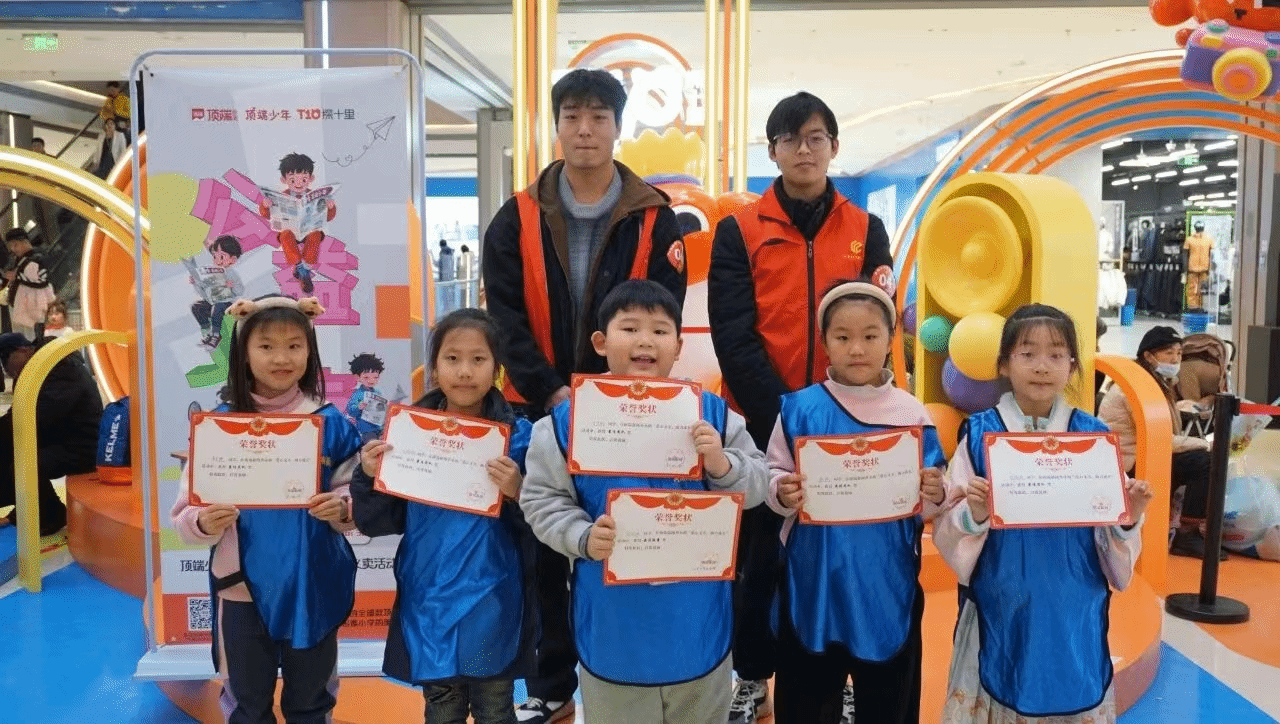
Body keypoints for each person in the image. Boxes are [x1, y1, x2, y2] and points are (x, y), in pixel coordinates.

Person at [481, 68, 686, 724]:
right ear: (556, 126)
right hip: (535, 405)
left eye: (599, 116)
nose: (585, 129)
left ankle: (621, 668)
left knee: (621, 536)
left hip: (630, 412)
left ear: (618, 127)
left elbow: (662, 315)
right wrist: (551, 392)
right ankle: (550, 684)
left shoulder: (655, 218)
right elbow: (503, 317)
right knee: (543, 543)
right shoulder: (515, 217)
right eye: (572, 116)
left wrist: (606, 395)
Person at [706, 90, 894, 724]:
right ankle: (752, 677)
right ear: (773, 151)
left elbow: (876, 325)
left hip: (848, 428)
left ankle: (842, 678)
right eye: (790, 139)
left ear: (834, 147)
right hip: (761, 429)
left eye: (816, 138)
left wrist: (842, 414)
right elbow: (734, 335)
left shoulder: (866, 230)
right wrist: (785, 422)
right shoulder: (739, 231)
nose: (804, 149)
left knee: (842, 560)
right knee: (757, 563)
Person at [519, 280, 768, 724]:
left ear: (679, 346)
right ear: (601, 342)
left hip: (697, 620)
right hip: (614, 622)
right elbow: (541, 498)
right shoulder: (564, 423)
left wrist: (721, 464)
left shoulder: (714, 415)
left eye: (659, 330)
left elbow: (758, 487)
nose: (645, 341)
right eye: (630, 328)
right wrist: (581, 535)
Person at [934, 304, 1153, 723]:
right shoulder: (979, 435)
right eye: (1027, 353)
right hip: (1000, 602)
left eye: (1056, 354)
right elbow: (950, 523)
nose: (1042, 366)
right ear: (1004, 364)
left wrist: (1129, 516)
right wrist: (974, 514)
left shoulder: (1093, 438)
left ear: (1072, 366)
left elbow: (1112, 535)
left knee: (1070, 689)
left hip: (1073, 604)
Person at [170, 295, 362, 724]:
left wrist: (343, 508)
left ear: (310, 351)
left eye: (294, 345)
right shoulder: (218, 425)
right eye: (266, 346)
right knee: (248, 704)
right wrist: (202, 522)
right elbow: (184, 515)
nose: (281, 358)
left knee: (311, 702)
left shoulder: (329, 421)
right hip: (240, 588)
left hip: (313, 583)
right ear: (243, 352)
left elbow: (354, 493)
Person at [765, 280, 945, 723]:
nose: (857, 349)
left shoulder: (911, 413)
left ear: (889, 340)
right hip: (814, 581)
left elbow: (932, 497)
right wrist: (781, 491)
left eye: (870, 335)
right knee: (807, 697)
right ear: (825, 341)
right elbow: (772, 472)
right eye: (843, 337)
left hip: (887, 582)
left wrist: (935, 493)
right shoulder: (799, 410)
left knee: (889, 700)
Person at [351, 308, 535, 724]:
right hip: (429, 598)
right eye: (452, 358)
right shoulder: (407, 436)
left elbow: (542, 528)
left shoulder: (518, 439)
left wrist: (518, 491)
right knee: (441, 708)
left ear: (497, 370)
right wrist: (368, 476)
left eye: (478, 359)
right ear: (433, 368)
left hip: (495, 599)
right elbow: (377, 521)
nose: (465, 371)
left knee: (495, 709)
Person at [1096, 326, 1217, 559]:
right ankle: (1187, 534)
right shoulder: (1137, 388)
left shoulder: (1155, 382)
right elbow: (1159, 440)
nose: (1175, 359)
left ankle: (1185, 529)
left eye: (1179, 353)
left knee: (1199, 459)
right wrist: (1204, 444)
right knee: (1205, 462)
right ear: (1149, 356)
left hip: (1142, 454)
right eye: (1168, 352)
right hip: (1128, 463)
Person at [0, 332, 102, 536]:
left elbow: (38, 415)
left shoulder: (62, 368)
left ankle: (52, 515)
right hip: (62, 437)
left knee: (25, 462)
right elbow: (22, 414)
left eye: (5, 358)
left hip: (84, 446)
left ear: (23, 350)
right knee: (6, 447)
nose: (5, 368)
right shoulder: (39, 367)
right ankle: (26, 509)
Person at [258, 153, 335, 294]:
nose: (298, 184)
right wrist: (265, 205)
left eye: (303, 179)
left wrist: (330, 207)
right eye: (293, 180)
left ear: (311, 179)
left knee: (315, 235)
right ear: (284, 180)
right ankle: (300, 267)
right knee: (285, 235)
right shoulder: (281, 196)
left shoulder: (316, 196)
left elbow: (328, 218)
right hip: (290, 230)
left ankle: (305, 267)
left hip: (309, 230)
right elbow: (266, 215)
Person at [4, 228, 56, 340]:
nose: (13, 249)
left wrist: (17, 277)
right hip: (21, 310)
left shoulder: (38, 257)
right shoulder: (19, 258)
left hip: (33, 312)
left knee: (31, 340)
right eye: (11, 245)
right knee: (21, 339)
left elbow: (42, 281)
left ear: (25, 242)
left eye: (15, 245)